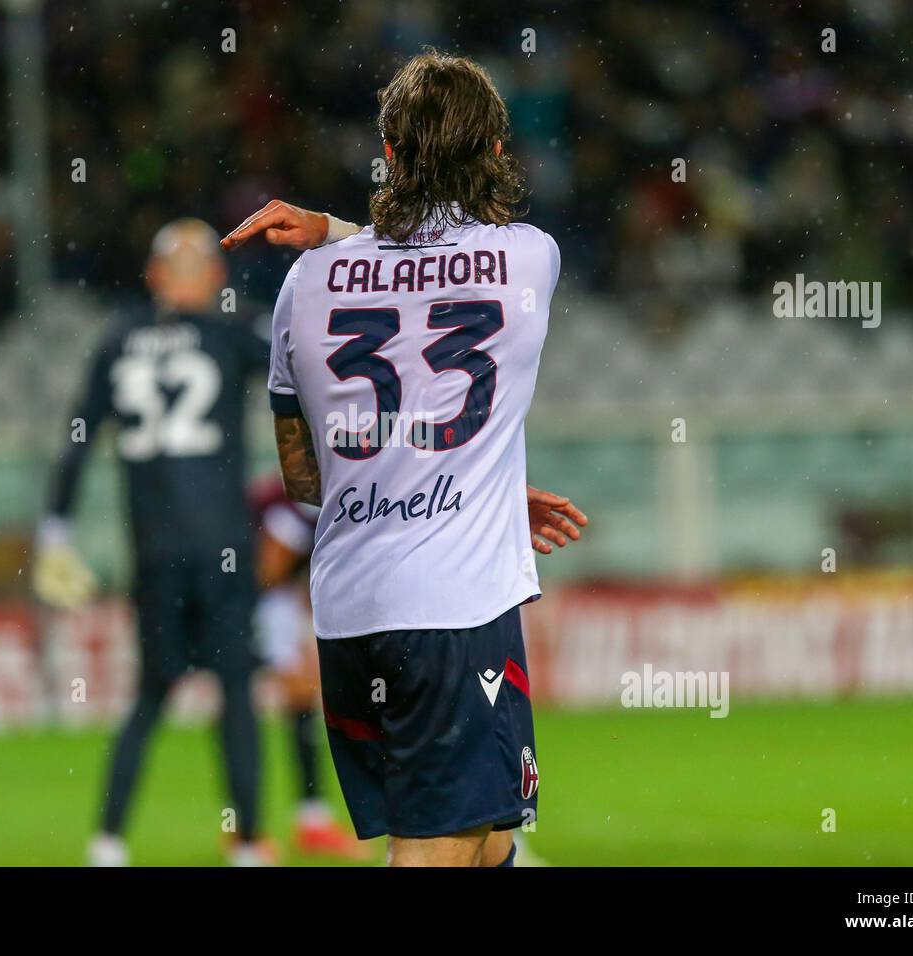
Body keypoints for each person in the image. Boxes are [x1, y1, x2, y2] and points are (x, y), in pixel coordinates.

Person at [222, 52, 587, 866]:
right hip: (454, 612)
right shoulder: (530, 256)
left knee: (489, 835)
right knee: (432, 852)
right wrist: (460, 481)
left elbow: (305, 478)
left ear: (386, 153)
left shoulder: (306, 282)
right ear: (495, 152)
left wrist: (333, 235)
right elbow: (443, 261)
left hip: (349, 611)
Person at [33, 218, 273, 867]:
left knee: (150, 694)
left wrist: (54, 528)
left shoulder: (118, 340)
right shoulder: (231, 332)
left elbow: (78, 437)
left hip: (156, 550)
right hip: (223, 544)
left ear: (153, 276)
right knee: (235, 694)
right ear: (215, 278)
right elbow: (305, 369)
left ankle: (108, 842)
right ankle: (249, 844)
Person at [248, 473, 371, 860]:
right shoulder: (309, 499)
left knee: (300, 696)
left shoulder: (329, 489)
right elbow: (266, 571)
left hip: (265, 599)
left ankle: (309, 822)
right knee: (246, 702)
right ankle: (245, 831)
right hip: (239, 600)